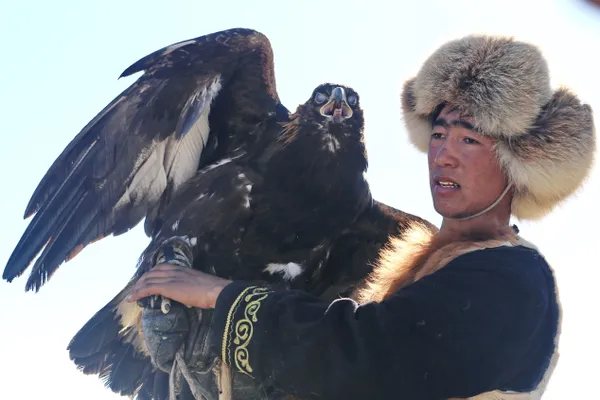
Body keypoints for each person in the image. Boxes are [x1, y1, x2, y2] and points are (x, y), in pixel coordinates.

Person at [127, 34, 596, 399]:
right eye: (438, 135)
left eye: (469, 140)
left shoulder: (511, 275)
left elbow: (364, 359)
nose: (444, 156)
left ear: (516, 165)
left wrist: (222, 300)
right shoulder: (419, 262)